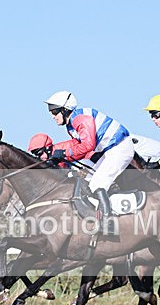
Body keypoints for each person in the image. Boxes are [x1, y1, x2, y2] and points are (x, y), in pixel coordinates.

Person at [30, 90, 135, 235]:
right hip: (110, 151)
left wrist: (65, 153)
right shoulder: (71, 125)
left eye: (54, 112)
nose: (52, 116)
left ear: (65, 110)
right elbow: (76, 145)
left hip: (119, 148)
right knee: (88, 182)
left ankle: (109, 223)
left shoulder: (79, 118)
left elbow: (88, 145)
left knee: (97, 184)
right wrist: (58, 154)